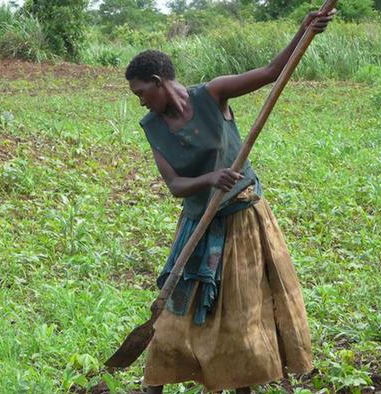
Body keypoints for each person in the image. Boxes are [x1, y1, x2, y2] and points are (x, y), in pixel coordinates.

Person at [125, 9, 336, 394]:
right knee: (174, 316)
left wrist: (305, 31)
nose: (140, 102)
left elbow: (273, 71)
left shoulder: (213, 94)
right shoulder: (153, 127)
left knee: (242, 314)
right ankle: (151, 387)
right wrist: (210, 178)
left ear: (158, 82)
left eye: (141, 93)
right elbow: (175, 184)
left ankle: (242, 385)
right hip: (198, 225)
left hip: (244, 220)